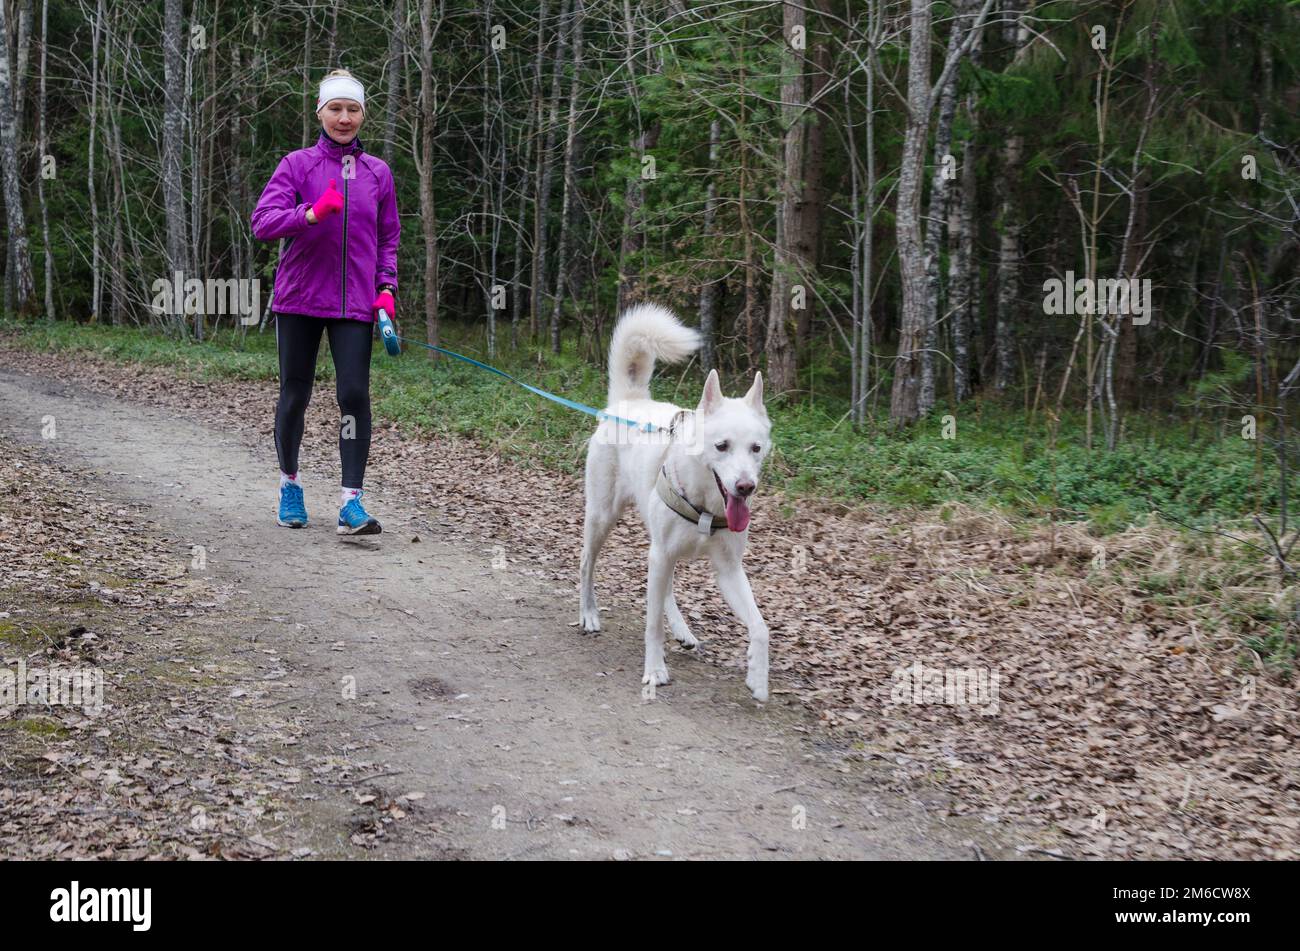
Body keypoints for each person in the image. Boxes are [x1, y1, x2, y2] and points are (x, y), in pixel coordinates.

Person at [251, 68, 400, 535]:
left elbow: (388, 238)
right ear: (320, 112)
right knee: (296, 393)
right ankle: (290, 487)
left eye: (352, 109)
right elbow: (262, 222)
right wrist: (310, 213)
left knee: (353, 395)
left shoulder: (379, 173)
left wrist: (386, 288)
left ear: (363, 115)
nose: (344, 117)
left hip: (355, 303)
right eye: (335, 108)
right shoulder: (298, 165)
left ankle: (351, 502)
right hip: (298, 299)